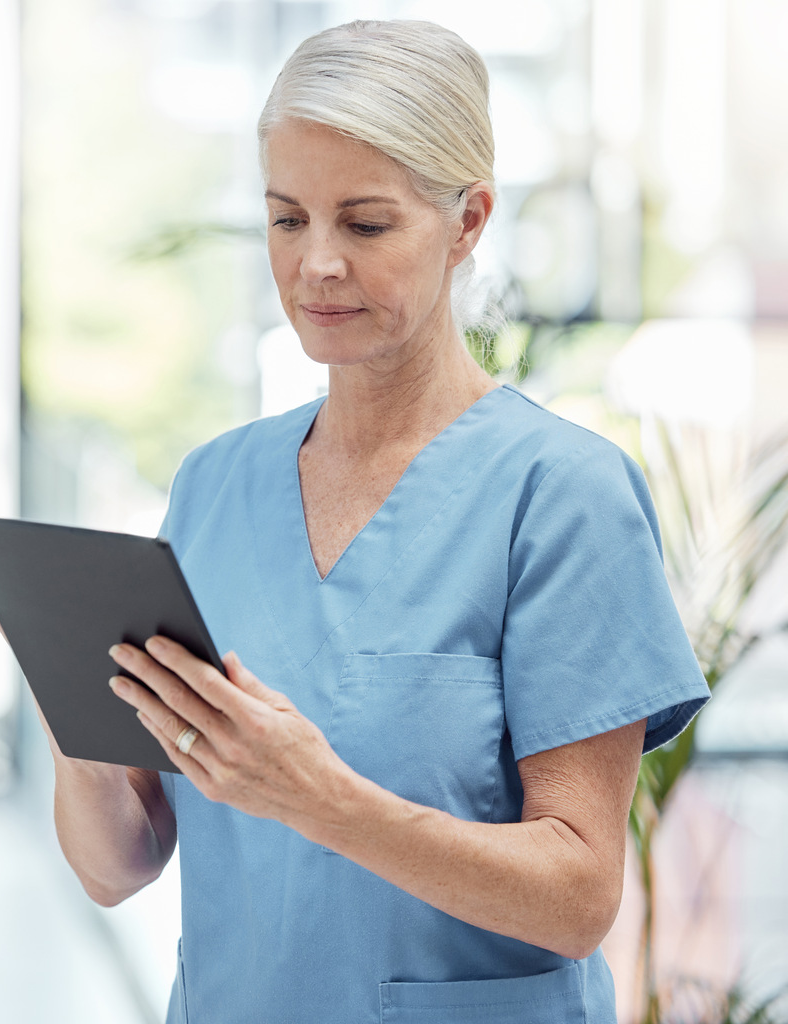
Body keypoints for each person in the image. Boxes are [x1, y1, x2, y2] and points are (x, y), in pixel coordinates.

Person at [44, 21, 711, 1023]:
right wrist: (81, 741)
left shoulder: (562, 495)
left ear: (468, 219)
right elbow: (118, 867)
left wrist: (321, 798)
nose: (316, 264)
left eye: (364, 224)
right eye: (286, 219)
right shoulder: (212, 487)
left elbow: (578, 894)